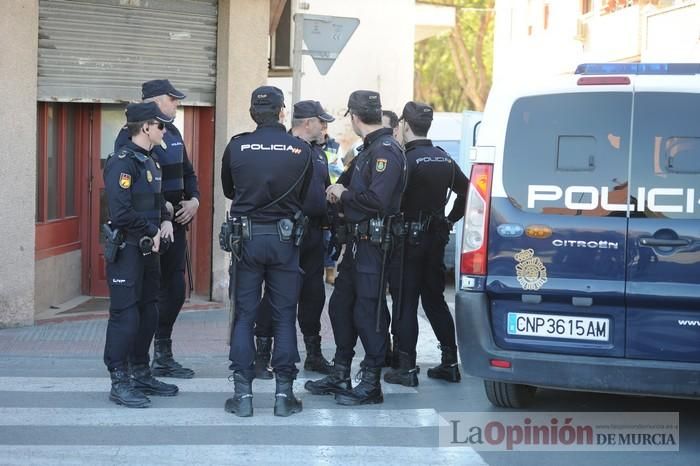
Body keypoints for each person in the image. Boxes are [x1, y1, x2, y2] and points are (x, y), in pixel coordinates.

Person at [305, 90, 406, 406]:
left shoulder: (385, 151)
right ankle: (340, 373)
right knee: (340, 307)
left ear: (353, 116)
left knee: (369, 312)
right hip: (358, 243)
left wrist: (342, 193)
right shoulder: (369, 150)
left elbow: (377, 201)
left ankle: (371, 382)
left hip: (374, 245)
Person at [221, 86, 312, 417]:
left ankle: (243, 397)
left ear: (252, 113)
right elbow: (306, 197)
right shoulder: (301, 150)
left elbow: (229, 190)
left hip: (247, 242)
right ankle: (283, 396)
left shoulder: (237, 147)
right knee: (285, 315)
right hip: (285, 242)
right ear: (282, 112)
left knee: (245, 315)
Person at [115, 79, 200, 379]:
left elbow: (189, 173)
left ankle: (162, 354)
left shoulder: (173, 132)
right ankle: (134, 361)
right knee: (143, 296)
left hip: (175, 225)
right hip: (147, 229)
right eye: (172, 100)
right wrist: (162, 210)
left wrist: (194, 201)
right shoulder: (130, 137)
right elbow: (135, 184)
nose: (177, 105)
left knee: (175, 290)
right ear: (154, 101)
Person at [384, 101, 469, 387]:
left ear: (405, 125)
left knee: (405, 301)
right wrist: (450, 219)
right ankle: (450, 362)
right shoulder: (443, 158)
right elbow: (468, 190)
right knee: (434, 300)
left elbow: (389, 199)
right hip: (435, 239)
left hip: (407, 240)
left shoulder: (404, 160)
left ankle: (406, 367)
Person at [103, 102, 179, 408]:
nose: (165, 130)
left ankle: (140, 371)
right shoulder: (123, 162)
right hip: (128, 249)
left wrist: (164, 220)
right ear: (145, 127)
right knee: (125, 315)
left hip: (149, 249)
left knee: (149, 311)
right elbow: (120, 212)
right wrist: (151, 229)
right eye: (161, 125)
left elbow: (158, 201)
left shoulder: (151, 161)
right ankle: (119, 379)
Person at [254, 100, 335, 377]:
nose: (324, 127)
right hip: (286, 233)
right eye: (321, 121)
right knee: (276, 295)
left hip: (314, 234)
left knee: (313, 295)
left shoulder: (319, 154)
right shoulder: (283, 149)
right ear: (308, 122)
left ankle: (314, 353)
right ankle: (262, 355)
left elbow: (323, 191)